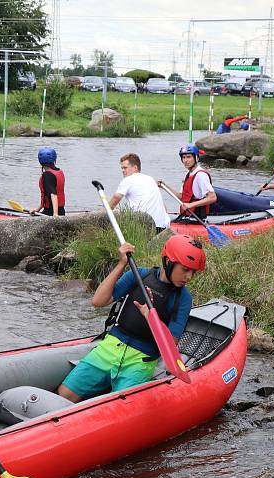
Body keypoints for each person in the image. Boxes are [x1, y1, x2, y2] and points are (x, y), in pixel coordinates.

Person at [57, 235, 206, 402]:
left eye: (193, 272)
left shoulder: (183, 298)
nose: (189, 277)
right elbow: (98, 301)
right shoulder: (138, 275)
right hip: (110, 347)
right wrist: (121, 264)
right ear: (168, 262)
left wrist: (152, 318)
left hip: (141, 361)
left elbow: (170, 345)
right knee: (64, 395)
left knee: (117, 407)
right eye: (185, 269)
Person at [108, 153, 171, 232]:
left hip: (145, 227)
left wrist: (102, 213)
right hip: (162, 227)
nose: (123, 171)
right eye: (122, 168)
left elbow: (114, 201)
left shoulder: (128, 180)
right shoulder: (150, 179)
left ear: (135, 168)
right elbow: (163, 206)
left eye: (125, 168)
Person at [158, 145, 217, 221]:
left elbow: (212, 197)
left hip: (197, 218)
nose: (185, 160)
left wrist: (190, 205)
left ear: (196, 158)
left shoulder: (201, 175)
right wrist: (164, 186)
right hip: (188, 216)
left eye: (188, 157)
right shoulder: (188, 174)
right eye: (183, 157)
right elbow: (181, 197)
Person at [30, 147, 65, 217]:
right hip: (61, 210)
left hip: (50, 212)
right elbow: (47, 197)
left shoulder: (47, 175)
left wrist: (55, 214)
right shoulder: (59, 171)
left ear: (40, 162)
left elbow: (53, 194)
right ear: (54, 160)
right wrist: (37, 210)